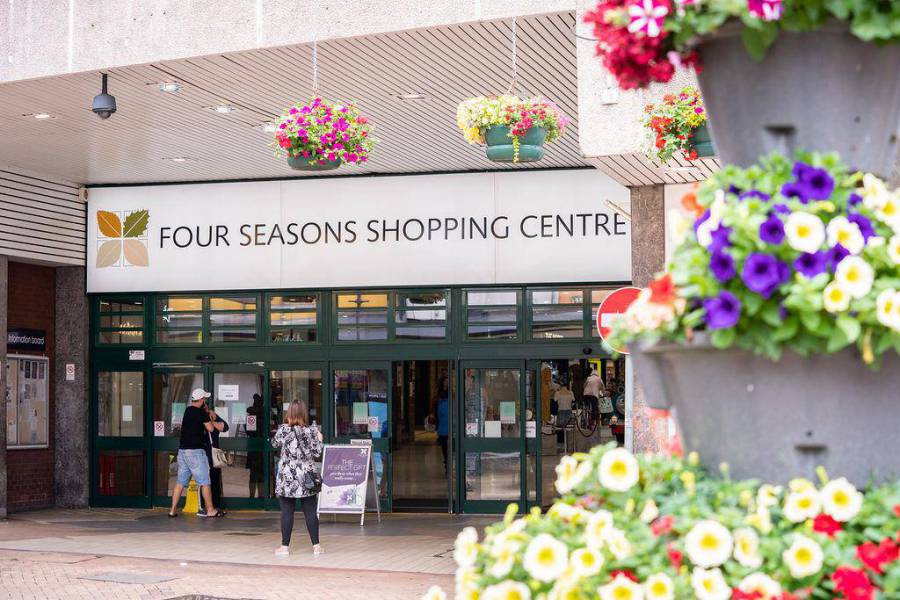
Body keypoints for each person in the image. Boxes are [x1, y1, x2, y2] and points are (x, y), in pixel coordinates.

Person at [272, 400, 324, 556]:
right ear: (304, 413)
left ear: (289, 413)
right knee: (310, 511)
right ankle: (316, 547)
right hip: (306, 477)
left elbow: (274, 444)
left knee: (287, 511)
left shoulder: (283, 430)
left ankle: (284, 547)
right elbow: (317, 453)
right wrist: (319, 439)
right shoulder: (311, 431)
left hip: (287, 477)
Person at [168, 388, 224, 518]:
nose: (205, 401)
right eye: (204, 399)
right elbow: (210, 428)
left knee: (180, 482)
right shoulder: (201, 413)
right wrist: (210, 418)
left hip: (182, 451)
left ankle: (172, 510)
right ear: (201, 400)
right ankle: (210, 510)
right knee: (205, 482)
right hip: (196, 452)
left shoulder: (187, 411)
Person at [198, 401, 229, 517]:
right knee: (204, 481)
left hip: (213, 454)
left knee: (215, 480)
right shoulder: (197, 417)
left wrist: (212, 420)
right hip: (202, 453)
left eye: (206, 407)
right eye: (204, 407)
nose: (206, 409)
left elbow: (225, 427)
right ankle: (203, 507)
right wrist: (213, 423)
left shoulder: (212, 416)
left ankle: (215, 506)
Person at [246, 393, 265, 498]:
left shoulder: (251, 416)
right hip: (262, 449)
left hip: (253, 448)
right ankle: (261, 497)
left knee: (253, 475)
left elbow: (248, 431)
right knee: (261, 475)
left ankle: (251, 497)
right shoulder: (265, 414)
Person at [435, 376, 450, 474]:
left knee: (445, 447)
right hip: (445, 426)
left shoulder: (440, 403)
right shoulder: (443, 398)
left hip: (443, 427)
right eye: (446, 381)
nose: (447, 382)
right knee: (446, 446)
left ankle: (447, 464)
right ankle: (448, 464)